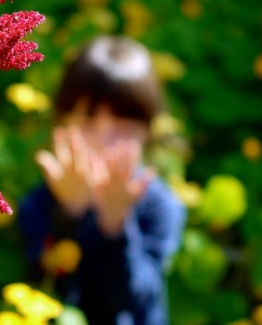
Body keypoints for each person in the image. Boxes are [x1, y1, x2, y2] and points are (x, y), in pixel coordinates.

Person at [18, 36, 186, 325]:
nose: (102, 140)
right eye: (87, 120)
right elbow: (43, 284)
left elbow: (135, 298)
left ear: (146, 131)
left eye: (123, 126)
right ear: (62, 121)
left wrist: (115, 223)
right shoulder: (41, 201)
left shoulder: (160, 205)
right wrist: (69, 215)